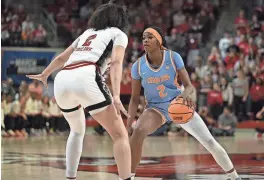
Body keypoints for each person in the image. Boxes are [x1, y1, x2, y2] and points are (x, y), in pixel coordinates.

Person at [26, 1, 132, 180]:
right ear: (120, 20)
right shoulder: (118, 33)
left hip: (62, 79)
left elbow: (61, 58)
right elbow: (116, 62)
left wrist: (45, 74)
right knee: (120, 135)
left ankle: (70, 177)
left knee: (76, 130)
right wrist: (115, 95)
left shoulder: (87, 33)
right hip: (86, 74)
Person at [127, 26, 241, 180]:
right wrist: (128, 124)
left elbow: (189, 86)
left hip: (178, 105)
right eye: (143, 37)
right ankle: (128, 177)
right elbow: (134, 99)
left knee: (210, 142)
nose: (145, 40)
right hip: (156, 109)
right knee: (138, 131)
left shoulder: (173, 58)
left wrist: (185, 96)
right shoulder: (138, 66)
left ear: (159, 41)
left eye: (150, 37)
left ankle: (234, 176)